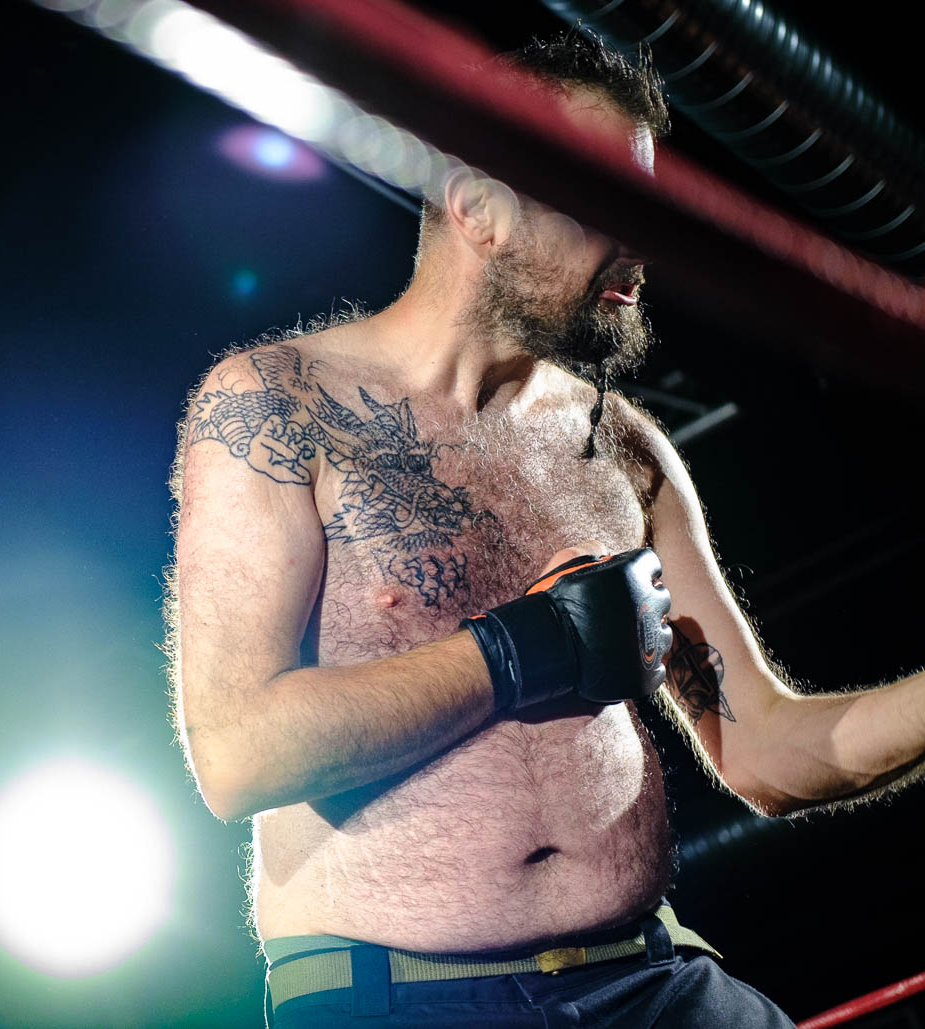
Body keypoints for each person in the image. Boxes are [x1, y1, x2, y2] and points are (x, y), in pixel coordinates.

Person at [167, 33, 924, 1027]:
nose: (641, 244)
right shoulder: (280, 405)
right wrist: (529, 645)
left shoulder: (624, 446)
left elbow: (769, 751)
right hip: (409, 1001)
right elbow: (237, 753)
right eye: (602, 199)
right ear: (478, 206)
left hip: (648, 977)